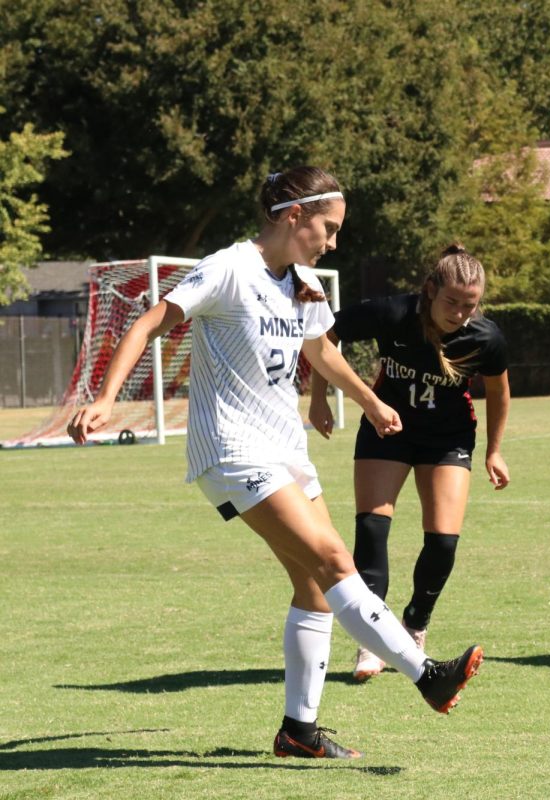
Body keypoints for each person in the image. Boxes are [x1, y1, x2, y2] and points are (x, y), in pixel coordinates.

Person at [66, 166, 483, 761]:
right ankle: (425, 674)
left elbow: (320, 350)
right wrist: (106, 397)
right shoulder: (228, 267)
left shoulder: (305, 284)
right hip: (233, 449)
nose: (333, 241)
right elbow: (152, 321)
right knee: (337, 561)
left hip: (285, 448)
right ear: (294, 216)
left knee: (315, 588)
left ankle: (299, 732)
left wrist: (370, 400)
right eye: (328, 227)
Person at [308, 244, 510, 683]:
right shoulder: (393, 314)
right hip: (388, 430)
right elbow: (325, 334)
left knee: (442, 543)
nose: (459, 313)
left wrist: (494, 450)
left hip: (448, 439)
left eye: (469, 305)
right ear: (430, 290)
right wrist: (321, 397)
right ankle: (373, 638)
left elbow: (498, 392)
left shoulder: (486, 338)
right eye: (451, 302)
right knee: (372, 528)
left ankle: (414, 624)